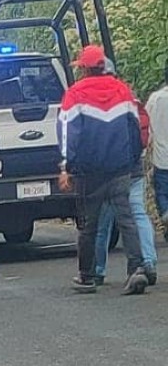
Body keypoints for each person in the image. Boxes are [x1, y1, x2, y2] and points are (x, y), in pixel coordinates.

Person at [58, 45, 147, 295]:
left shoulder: (75, 94)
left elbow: (68, 133)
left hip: (89, 171)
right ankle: (137, 268)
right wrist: (131, 160)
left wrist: (67, 165)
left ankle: (87, 276)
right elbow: (134, 127)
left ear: (85, 69)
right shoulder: (122, 90)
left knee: (89, 225)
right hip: (120, 168)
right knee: (126, 219)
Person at [95, 98, 158, 286]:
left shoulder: (95, 103)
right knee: (138, 213)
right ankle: (148, 261)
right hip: (134, 168)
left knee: (102, 221)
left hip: (108, 171)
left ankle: (97, 269)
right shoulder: (129, 99)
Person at [146, 62, 168, 241]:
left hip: (162, 158)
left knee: (162, 192)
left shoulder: (156, 98)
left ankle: (166, 214)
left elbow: (146, 128)